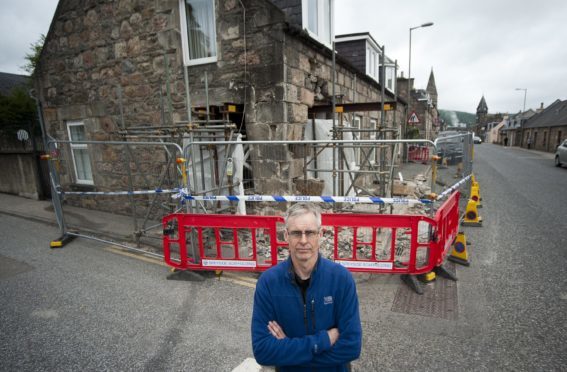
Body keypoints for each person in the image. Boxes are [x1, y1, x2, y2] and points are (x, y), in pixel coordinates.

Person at [251, 203, 362, 371]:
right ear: (286, 236)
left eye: (309, 232)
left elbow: (351, 347)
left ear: (320, 234)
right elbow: (262, 351)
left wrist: (288, 352)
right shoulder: (268, 283)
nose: (303, 240)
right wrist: (322, 341)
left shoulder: (341, 279)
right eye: (296, 233)